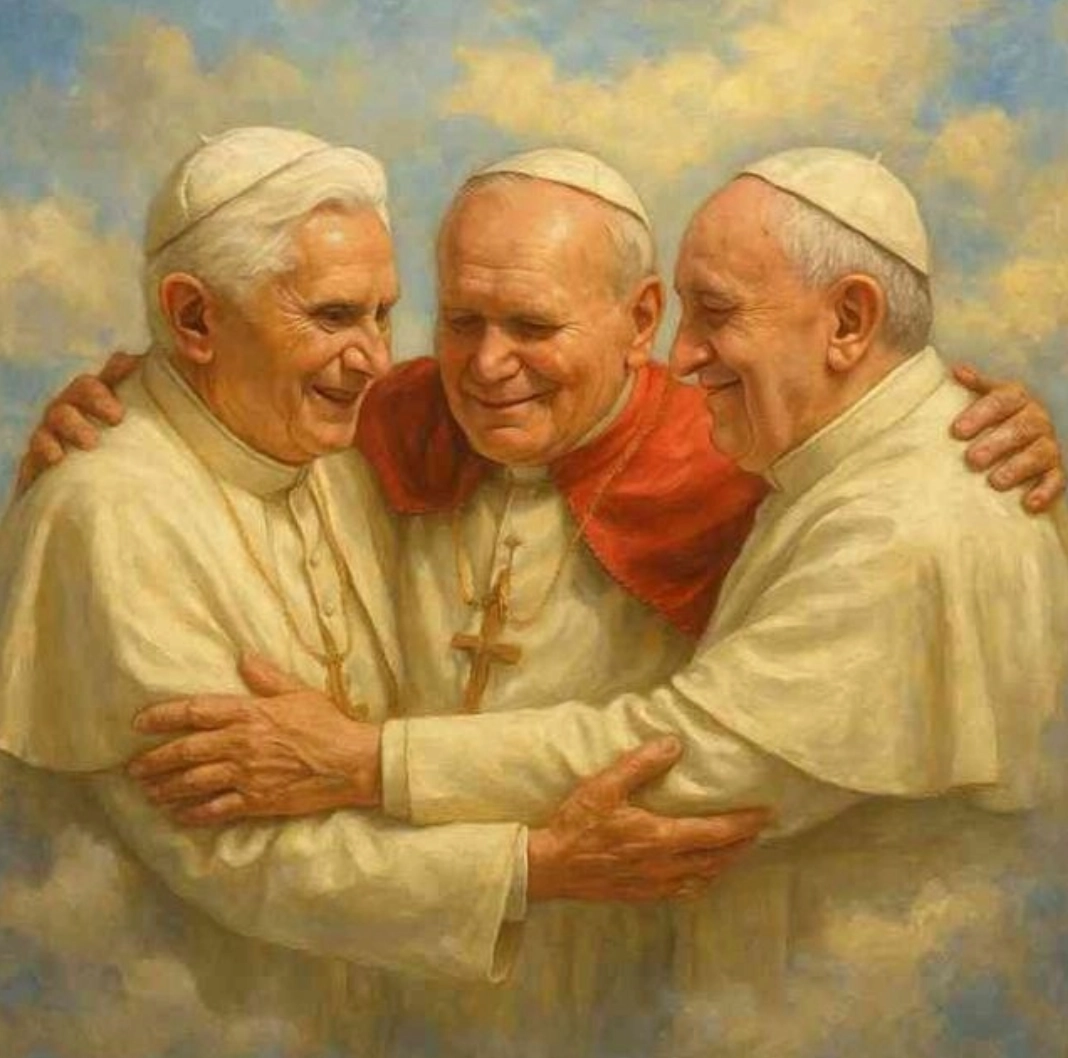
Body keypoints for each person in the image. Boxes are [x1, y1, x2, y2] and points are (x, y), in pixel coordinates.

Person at [26, 147, 1068, 1057]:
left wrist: (364, 760)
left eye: (533, 324)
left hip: (689, 988)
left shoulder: (752, 464)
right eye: (459, 320)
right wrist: (136, 405)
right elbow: (221, 407)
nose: (485, 367)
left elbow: (709, 745)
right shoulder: (369, 426)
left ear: (638, 320)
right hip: (366, 985)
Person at [0, 128, 761, 1057]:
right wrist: (535, 866)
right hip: (210, 1011)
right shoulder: (110, 512)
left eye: (382, 316)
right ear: (194, 319)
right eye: (333, 317)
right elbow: (226, 848)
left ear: (640, 323)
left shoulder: (333, 443)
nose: (374, 362)